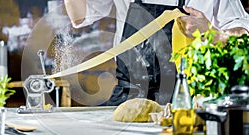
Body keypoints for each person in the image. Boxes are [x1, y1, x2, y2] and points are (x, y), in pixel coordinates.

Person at [64, 0, 249, 105]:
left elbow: (244, 35)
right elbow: (79, 16)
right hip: (128, 97)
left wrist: (211, 33)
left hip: (186, 98)